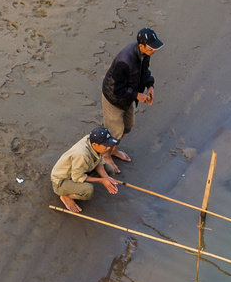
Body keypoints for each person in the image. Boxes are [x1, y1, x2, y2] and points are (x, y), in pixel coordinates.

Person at [100, 27, 163, 168]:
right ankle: (106, 156)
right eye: (152, 48)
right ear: (142, 46)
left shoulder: (145, 54)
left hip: (127, 97)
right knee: (115, 131)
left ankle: (114, 150)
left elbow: (144, 71)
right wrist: (137, 95)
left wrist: (150, 85)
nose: (154, 51)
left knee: (128, 126)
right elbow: (116, 89)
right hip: (114, 98)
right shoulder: (125, 60)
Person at [50, 126, 121, 214]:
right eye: (106, 146)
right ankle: (66, 196)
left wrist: (106, 177)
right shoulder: (81, 154)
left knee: (109, 169)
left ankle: (76, 187)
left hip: (78, 170)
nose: (109, 148)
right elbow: (77, 177)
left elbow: (98, 160)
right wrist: (101, 180)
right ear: (95, 144)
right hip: (62, 181)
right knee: (88, 190)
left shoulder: (92, 140)